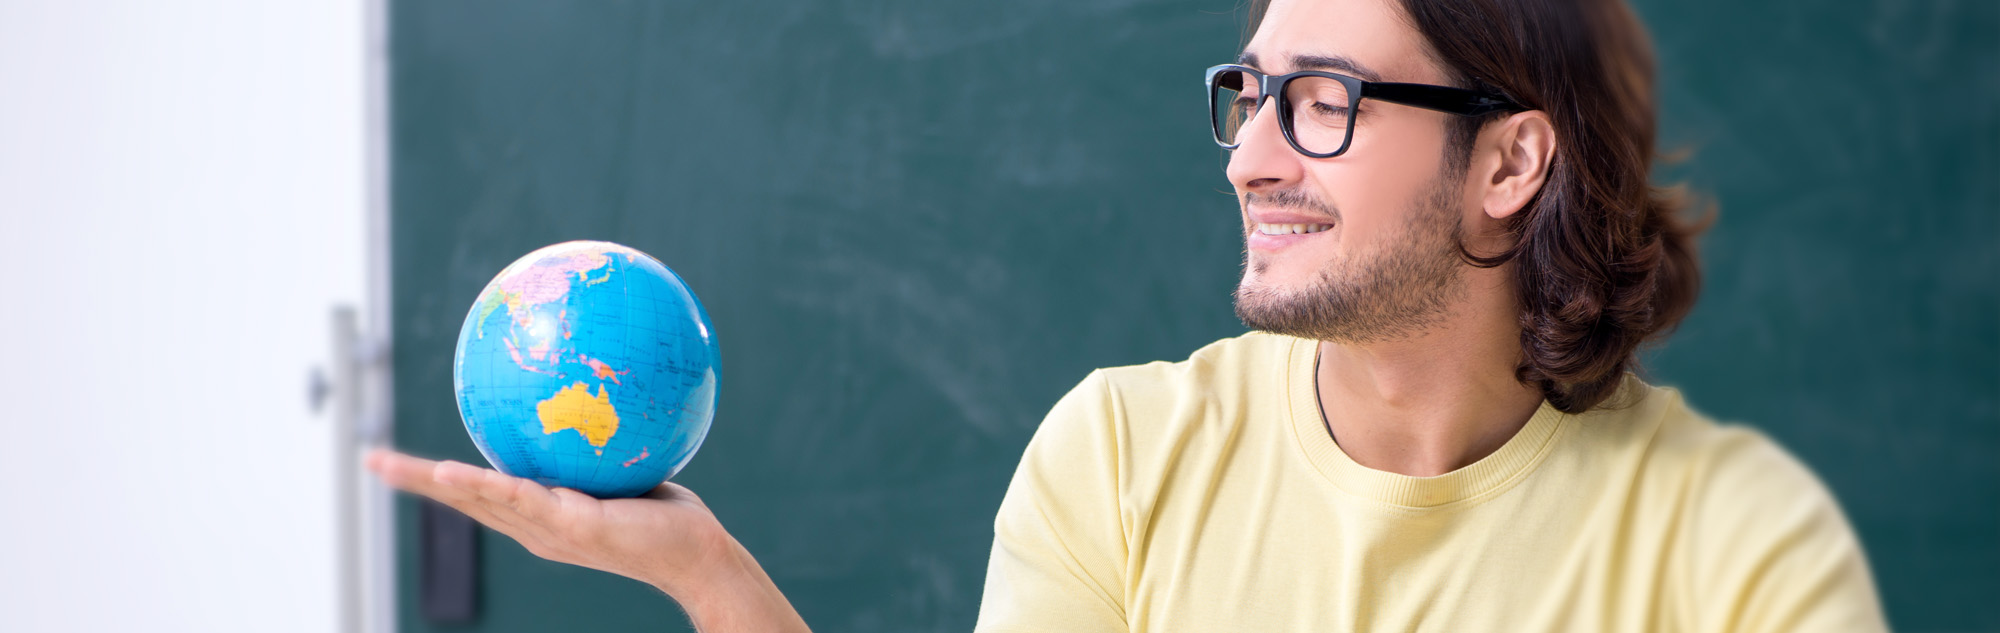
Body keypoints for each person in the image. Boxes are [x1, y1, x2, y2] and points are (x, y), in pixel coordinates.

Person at [368, 0, 1891, 630]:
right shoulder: (1123, 457)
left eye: (1324, 104)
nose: (1250, 152)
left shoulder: (1734, 548)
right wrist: (712, 577)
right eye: (1249, 98)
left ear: (1509, 159)